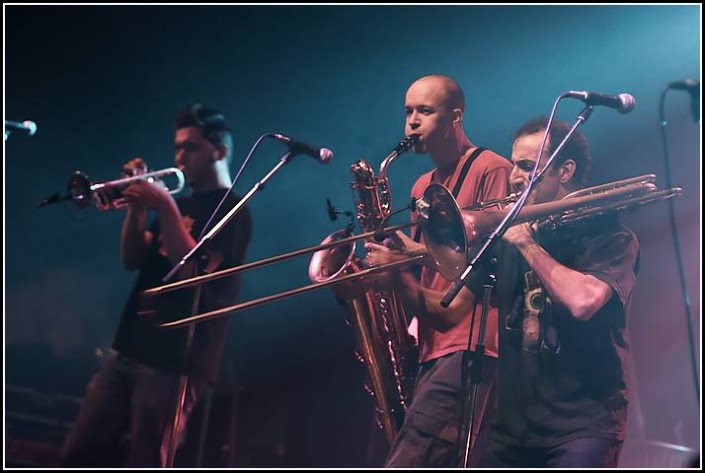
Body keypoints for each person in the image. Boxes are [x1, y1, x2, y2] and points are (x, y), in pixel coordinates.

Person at [60, 104, 252, 467]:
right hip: (129, 348)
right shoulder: (181, 201)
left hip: (175, 360)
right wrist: (136, 208)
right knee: (79, 454)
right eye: (178, 147)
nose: (180, 156)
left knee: (147, 461)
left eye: (190, 147)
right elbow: (133, 259)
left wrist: (163, 205)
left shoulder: (235, 211)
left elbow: (193, 274)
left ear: (220, 151)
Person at [365, 74, 512, 468]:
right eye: (408, 111)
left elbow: (485, 260)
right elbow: (430, 259)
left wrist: (404, 265)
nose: (412, 121)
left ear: (455, 117)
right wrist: (399, 254)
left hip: (470, 341)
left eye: (425, 111)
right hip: (431, 343)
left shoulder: (491, 168)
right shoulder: (420, 186)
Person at [479, 116, 640, 468]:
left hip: (583, 425)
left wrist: (526, 244)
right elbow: (456, 309)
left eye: (526, 166)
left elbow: (583, 302)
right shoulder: (506, 240)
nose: (514, 177)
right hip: (512, 430)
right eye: (514, 165)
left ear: (564, 171)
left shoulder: (611, 236)